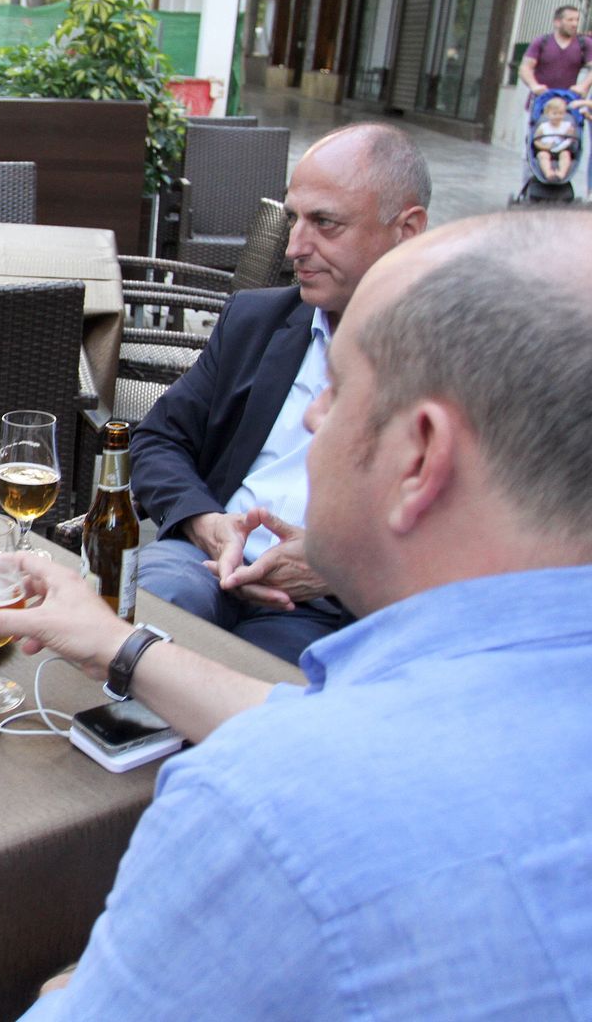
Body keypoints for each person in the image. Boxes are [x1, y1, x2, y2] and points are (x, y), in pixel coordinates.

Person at [0, 209, 592, 1019]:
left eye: (337, 388)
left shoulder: (270, 813)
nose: (313, 414)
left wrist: (73, 984)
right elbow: (331, 720)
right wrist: (119, 646)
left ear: (419, 457)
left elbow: (310, 769)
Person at [130, 122, 430, 663]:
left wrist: (340, 566)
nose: (294, 247)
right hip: (205, 565)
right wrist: (206, 523)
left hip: (330, 607)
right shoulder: (260, 320)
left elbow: (481, 548)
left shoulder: (457, 362)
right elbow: (157, 439)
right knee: (145, 613)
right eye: (294, 218)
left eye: (325, 223)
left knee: (266, 692)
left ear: (406, 231)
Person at [520, 4, 592, 111]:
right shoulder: (541, 42)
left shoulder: (584, 43)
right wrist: (534, 85)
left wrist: (583, 86)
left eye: (577, 20)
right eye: (570, 20)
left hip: (568, 102)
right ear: (557, 22)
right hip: (541, 101)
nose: (575, 24)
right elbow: (525, 67)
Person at [533, 95, 582, 181]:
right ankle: (548, 173)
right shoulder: (543, 126)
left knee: (566, 155)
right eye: (555, 113)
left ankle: (561, 174)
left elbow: (571, 138)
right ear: (547, 113)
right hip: (546, 149)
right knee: (542, 156)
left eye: (561, 113)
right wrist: (544, 146)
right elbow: (536, 141)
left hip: (562, 149)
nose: (558, 116)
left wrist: (570, 133)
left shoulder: (566, 125)